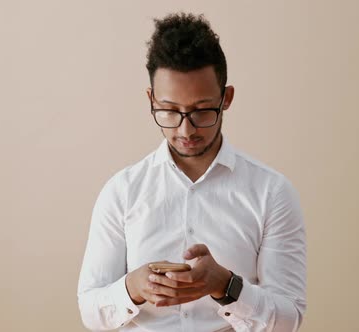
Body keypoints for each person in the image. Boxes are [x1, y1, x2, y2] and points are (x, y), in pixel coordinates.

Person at [77, 12, 307, 332]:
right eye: (170, 111)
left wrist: (227, 287)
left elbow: (288, 319)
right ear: (151, 100)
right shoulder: (121, 191)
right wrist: (132, 288)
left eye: (201, 111)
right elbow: (90, 310)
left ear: (226, 98)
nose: (186, 129)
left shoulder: (272, 193)